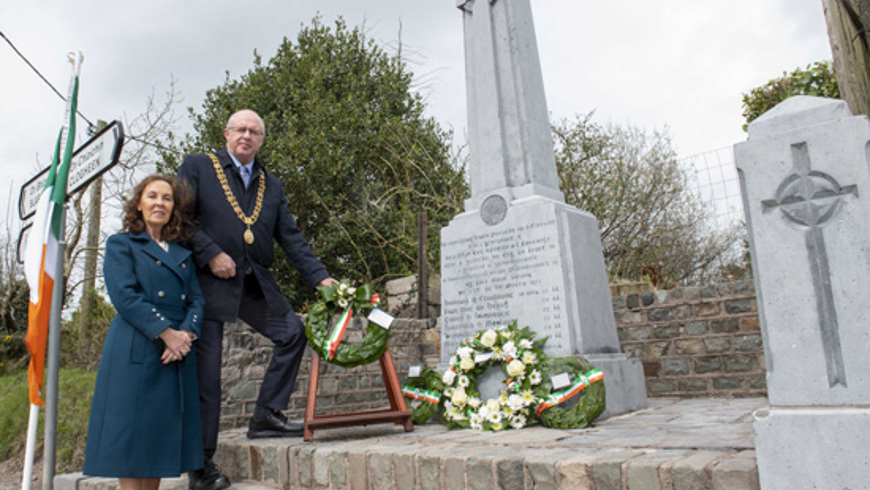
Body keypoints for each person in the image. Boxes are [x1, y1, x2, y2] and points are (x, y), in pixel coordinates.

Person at [177, 109, 336, 490]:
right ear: (227, 133)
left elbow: (292, 238)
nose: (247, 136)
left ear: (262, 140)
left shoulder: (272, 185)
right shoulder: (199, 166)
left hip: (253, 281)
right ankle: (200, 468)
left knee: (292, 332)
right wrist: (210, 253)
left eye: (255, 132)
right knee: (207, 376)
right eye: (241, 130)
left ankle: (265, 415)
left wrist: (321, 277)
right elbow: (180, 218)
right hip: (205, 281)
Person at [83, 174, 205, 490]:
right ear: (139, 203)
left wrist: (186, 336)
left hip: (175, 351)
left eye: (166, 198)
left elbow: (196, 300)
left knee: (156, 438)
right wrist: (166, 333)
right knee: (133, 437)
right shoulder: (121, 244)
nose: (159, 203)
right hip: (137, 345)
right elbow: (125, 296)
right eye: (152, 196)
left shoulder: (181, 252)